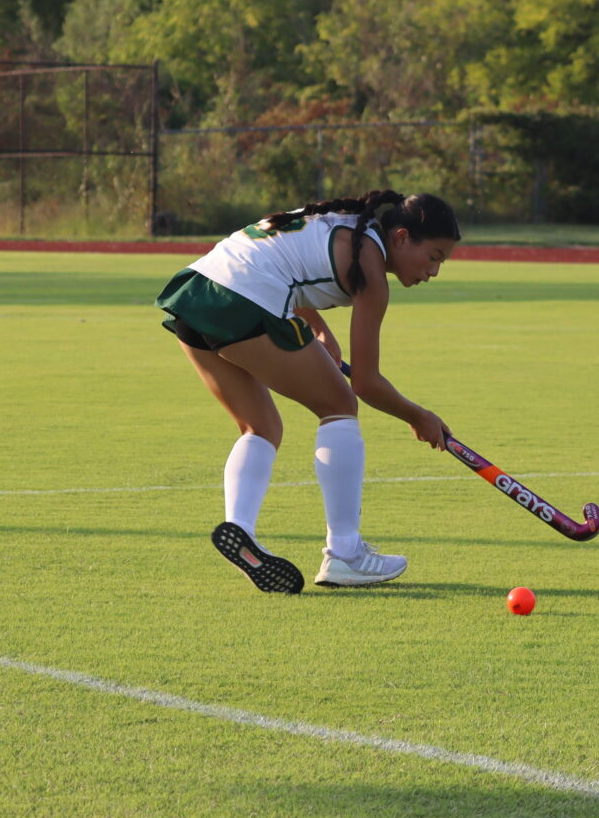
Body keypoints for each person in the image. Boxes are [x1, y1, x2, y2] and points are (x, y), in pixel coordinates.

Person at [154, 190, 461, 593]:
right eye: (435, 256)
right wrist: (418, 416)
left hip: (196, 294)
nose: (434, 271)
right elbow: (366, 383)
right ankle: (345, 553)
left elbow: (283, 256)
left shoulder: (347, 225)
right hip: (245, 299)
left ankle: (239, 530)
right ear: (401, 237)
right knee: (339, 406)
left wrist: (316, 327)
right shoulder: (369, 263)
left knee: (260, 426)